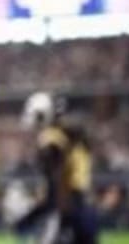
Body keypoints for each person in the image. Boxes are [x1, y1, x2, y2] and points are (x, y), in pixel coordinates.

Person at [15, 92, 99, 244]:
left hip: (67, 209)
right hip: (85, 207)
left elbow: (59, 184)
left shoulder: (51, 141)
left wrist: (37, 215)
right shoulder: (74, 136)